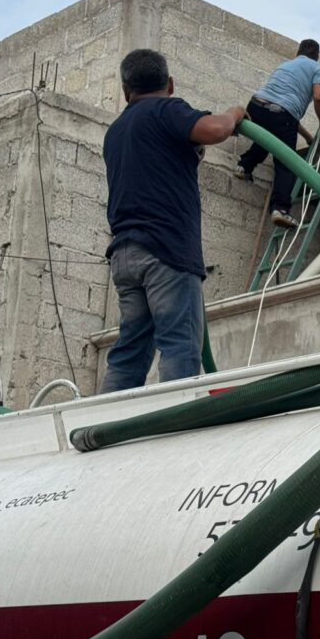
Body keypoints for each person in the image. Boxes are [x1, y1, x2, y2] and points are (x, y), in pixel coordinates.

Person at [99, 48, 245, 393]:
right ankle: (174, 430)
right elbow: (216, 130)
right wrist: (235, 113)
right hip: (165, 251)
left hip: (125, 256)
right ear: (171, 84)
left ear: (125, 91)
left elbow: (153, 168)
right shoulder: (166, 109)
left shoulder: (116, 131)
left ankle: (99, 428)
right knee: (179, 345)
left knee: (129, 354)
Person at [235, 39, 320, 228]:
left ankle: (244, 166)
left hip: (256, 106)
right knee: (286, 162)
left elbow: (284, 114)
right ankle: (280, 210)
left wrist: (307, 136)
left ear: (298, 52)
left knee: (267, 139)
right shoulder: (318, 68)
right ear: (317, 56)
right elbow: (318, 97)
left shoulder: (286, 65)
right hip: (281, 115)